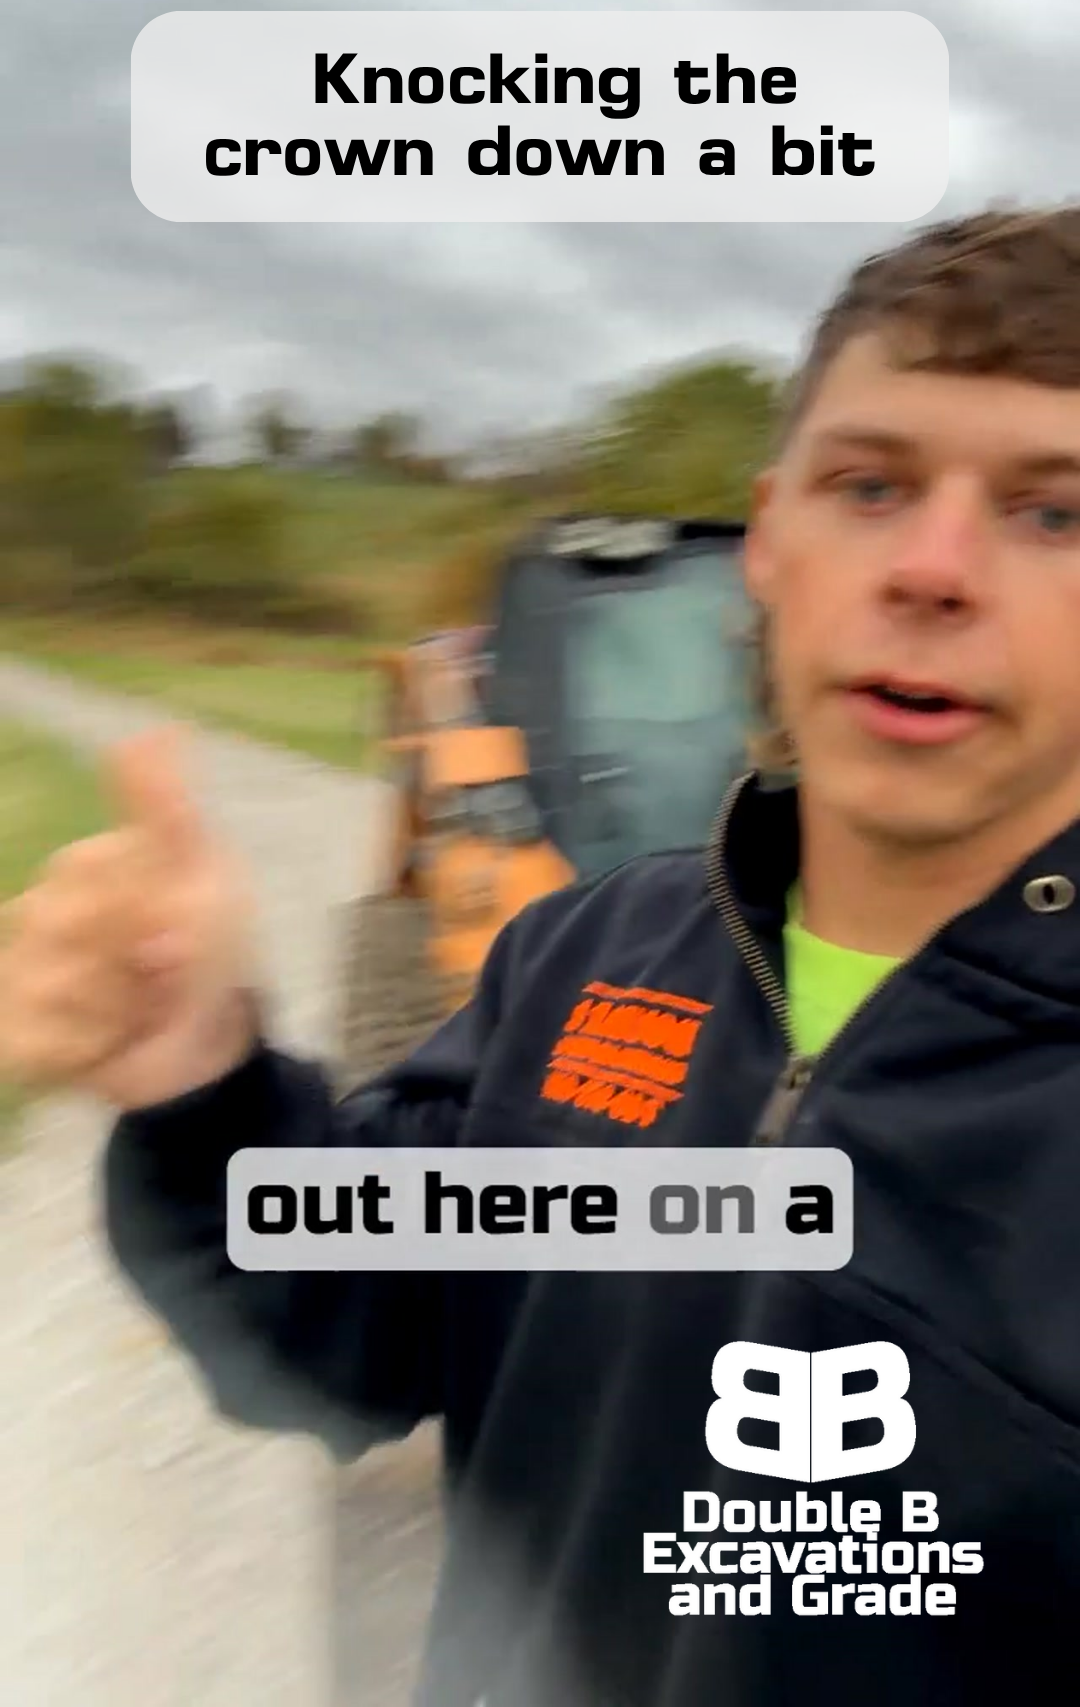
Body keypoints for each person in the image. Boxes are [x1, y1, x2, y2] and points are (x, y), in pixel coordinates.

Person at [4, 202, 1080, 1706]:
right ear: (771, 538)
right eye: (873, 484)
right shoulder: (589, 957)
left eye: (1052, 513)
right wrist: (199, 1081)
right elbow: (351, 1331)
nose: (937, 568)